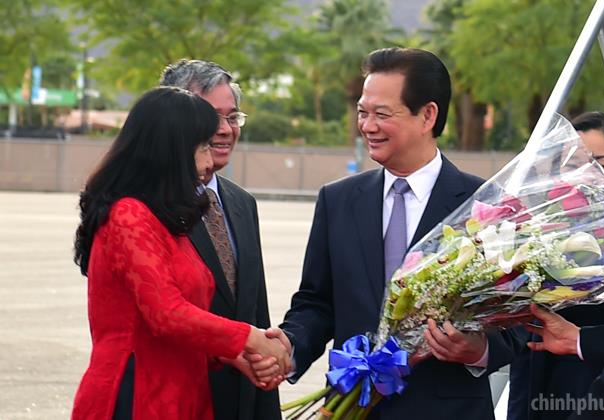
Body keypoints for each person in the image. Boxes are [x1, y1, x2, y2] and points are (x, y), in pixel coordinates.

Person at [265, 47, 521, 419]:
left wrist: (478, 350)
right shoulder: (337, 200)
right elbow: (317, 303)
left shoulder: (485, 205)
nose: (368, 126)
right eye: (362, 112)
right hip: (353, 407)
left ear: (428, 115)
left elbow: (517, 322)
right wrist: (289, 346)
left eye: (382, 114)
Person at [71, 86, 288, 420]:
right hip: (138, 394)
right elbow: (166, 314)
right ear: (172, 151)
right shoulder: (129, 215)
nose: (208, 161)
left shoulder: (165, 218)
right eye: (202, 147)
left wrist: (229, 355)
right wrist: (249, 338)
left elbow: (180, 322)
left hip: (180, 393)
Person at [159, 60, 282, 420]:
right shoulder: (146, 206)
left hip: (239, 399)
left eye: (233, 117)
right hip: (174, 398)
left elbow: (255, 311)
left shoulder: (242, 203)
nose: (225, 129)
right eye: (211, 117)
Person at [507, 111, 604, 420]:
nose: (586, 176)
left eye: (601, 165)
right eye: (573, 165)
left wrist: (582, 340)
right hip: (548, 399)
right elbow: (525, 355)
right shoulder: (533, 241)